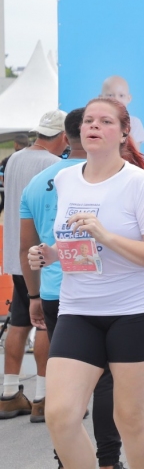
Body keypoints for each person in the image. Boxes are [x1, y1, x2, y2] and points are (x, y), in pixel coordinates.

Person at [27, 97, 144, 469]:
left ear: (124, 133)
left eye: (105, 121)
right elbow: (79, 246)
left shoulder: (139, 183)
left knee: (129, 418)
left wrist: (106, 236)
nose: (94, 125)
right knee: (60, 416)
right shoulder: (64, 179)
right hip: (79, 308)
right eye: (89, 120)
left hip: (136, 311)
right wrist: (50, 254)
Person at [19, 108, 124, 469]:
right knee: (106, 381)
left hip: (51, 291)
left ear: (66, 137)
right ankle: (108, 460)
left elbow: (26, 247)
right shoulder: (104, 179)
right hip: (96, 291)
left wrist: (32, 295)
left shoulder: (38, 183)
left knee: (65, 385)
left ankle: (65, 458)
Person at [0, 111, 67, 422]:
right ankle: (43, 395)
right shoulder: (53, 166)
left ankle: (9, 391)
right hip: (41, 256)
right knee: (43, 323)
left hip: (16, 254)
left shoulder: (15, 159)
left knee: (18, 323)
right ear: (63, 136)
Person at [100, 76, 144, 146]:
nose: (116, 99)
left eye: (121, 95)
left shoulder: (134, 123)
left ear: (128, 98)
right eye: (110, 95)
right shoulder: (96, 123)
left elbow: (135, 153)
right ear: (101, 99)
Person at [0, 133, 29, 216]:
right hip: (16, 187)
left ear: (15, 144)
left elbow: (1, 172)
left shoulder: (9, 158)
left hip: (9, 187)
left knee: (8, 204)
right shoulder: (31, 158)